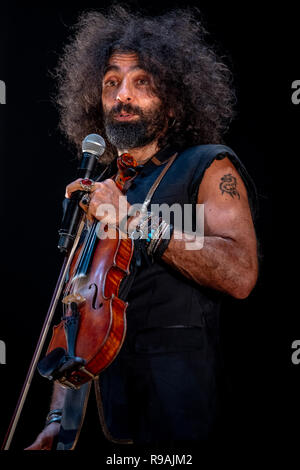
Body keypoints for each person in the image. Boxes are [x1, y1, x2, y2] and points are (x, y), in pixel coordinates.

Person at [25, 5, 258, 450]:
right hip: (111, 425)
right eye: (111, 82)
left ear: (172, 100)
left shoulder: (207, 165)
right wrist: (59, 419)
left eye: (141, 81)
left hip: (185, 420)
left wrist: (130, 217)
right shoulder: (103, 190)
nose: (122, 95)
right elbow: (78, 319)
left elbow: (240, 271)